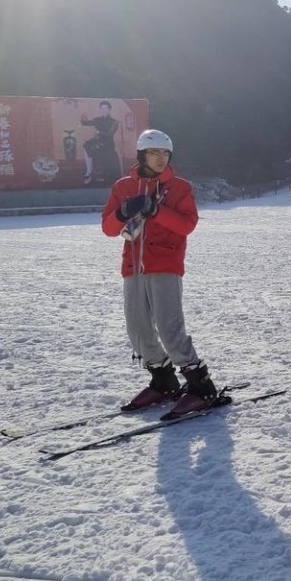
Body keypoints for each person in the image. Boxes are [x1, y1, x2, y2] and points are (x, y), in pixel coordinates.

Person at [101, 129, 218, 419]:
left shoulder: (179, 187)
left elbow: (187, 225)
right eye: (154, 153)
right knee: (137, 328)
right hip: (133, 267)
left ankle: (201, 386)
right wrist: (123, 211)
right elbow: (108, 228)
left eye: (165, 153)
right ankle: (163, 380)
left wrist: (156, 210)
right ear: (141, 155)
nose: (160, 158)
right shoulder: (123, 187)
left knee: (169, 328)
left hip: (165, 264)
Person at [81, 100, 121, 184]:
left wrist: (98, 132)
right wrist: (83, 116)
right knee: (86, 146)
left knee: (91, 147)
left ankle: (92, 173)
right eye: (102, 108)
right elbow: (85, 123)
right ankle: (89, 171)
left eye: (106, 108)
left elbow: (109, 134)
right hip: (98, 142)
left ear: (110, 109)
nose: (104, 110)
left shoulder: (114, 122)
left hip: (108, 144)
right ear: (100, 109)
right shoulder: (97, 119)